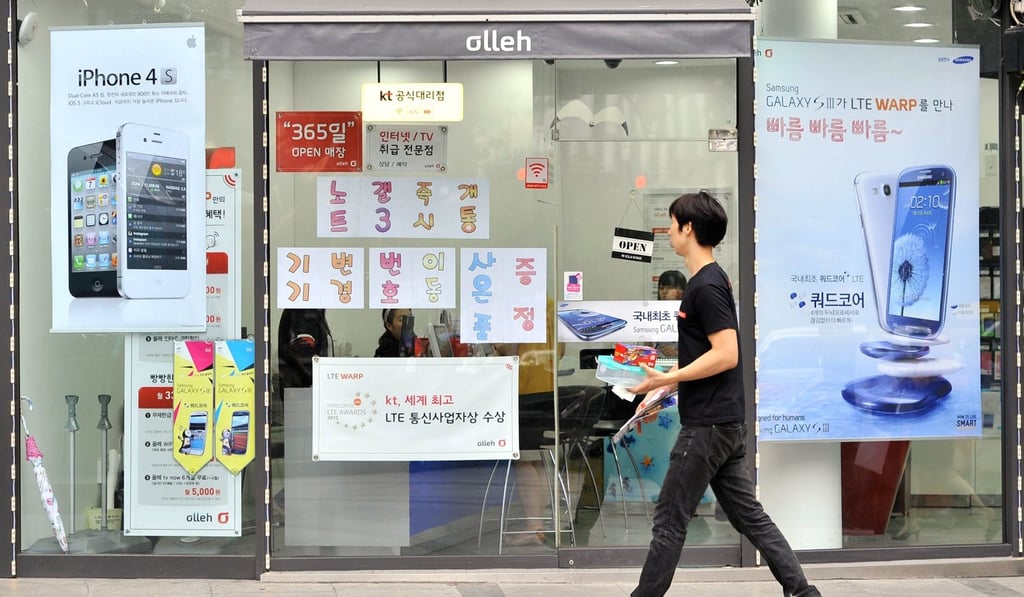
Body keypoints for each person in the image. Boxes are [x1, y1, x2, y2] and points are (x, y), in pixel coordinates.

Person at [627, 191, 820, 597]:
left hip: (708, 426)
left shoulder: (706, 285)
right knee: (749, 517)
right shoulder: (709, 281)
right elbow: (708, 356)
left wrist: (668, 378)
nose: (667, 230)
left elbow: (727, 354)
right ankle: (803, 592)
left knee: (669, 520)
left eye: (671, 222)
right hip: (723, 422)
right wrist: (663, 380)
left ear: (689, 228)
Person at [492, 297, 563, 547]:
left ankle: (534, 526)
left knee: (522, 459)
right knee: (538, 459)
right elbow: (561, 351)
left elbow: (509, 349)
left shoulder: (515, 305)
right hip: (547, 387)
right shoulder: (551, 303)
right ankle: (539, 524)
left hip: (523, 389)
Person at [277, 308, 332, 388]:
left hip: (310, 385)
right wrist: (310, 378)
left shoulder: (315, 313)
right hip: (303, 388)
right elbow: (299, 354)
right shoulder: (301, 314)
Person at [655, 270, 688, 358]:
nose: (664, 292)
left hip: (684, 363)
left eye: (669, 287)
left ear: (682, 290)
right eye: (661, 288)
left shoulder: (691, 313)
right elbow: (647, 345)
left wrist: (678, 352)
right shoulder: (653, 313)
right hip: (658, 362)